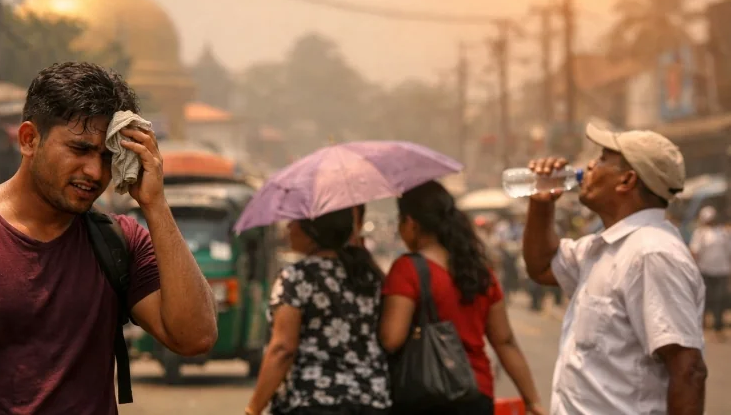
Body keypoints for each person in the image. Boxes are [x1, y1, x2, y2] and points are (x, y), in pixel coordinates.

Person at [0, 62, 218, 414]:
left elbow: (194, 336)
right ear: (29, 139)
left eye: (108, 156)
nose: (95, 172)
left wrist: (155, 203)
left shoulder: (120, 242)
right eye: (79, 149)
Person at [523, 123, 707, 415]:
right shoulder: (602, 248)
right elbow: (541, 267)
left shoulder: (651, 253)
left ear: (627, 180)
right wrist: (541, 204)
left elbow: (688, 369)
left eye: (603, 159)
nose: (589, 165)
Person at [379, 181, 544, 415]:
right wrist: (532, 400)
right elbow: (504, 341)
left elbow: (391, 339)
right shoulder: (480, 271)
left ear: (411, 223)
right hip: (476, 392)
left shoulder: (407, 269)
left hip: (427, 394)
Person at [245, 207, 391, 415]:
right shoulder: (369, 276)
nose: (288, 227)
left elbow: (283, 349)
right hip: (371, 400)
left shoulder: (297, 278)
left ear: (311, 232)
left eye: (294, 221)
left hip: (313, 401)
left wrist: (253, 408)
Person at [689, 205, 731, 338]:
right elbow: (694, 251)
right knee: (704, 298)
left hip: (721, 271)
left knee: (719, 298)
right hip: (705, 271)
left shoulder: (723, 233)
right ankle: (702, 325)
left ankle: (718, 327)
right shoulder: (699, 233)